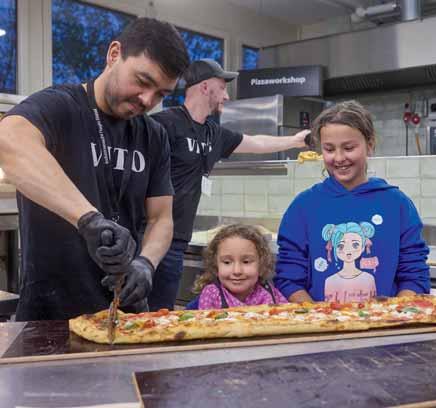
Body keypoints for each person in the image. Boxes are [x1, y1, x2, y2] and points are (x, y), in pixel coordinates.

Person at [0, 18, 190, 320]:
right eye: (142, 81)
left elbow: (161, 219)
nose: (147, 100)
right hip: (51, 313)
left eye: (161, 94)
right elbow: (9, 140)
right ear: (114, 54)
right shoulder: (61, 106)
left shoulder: (154, 136)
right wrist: (88, 220)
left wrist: (146, 262)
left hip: (124, 313)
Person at [149, 58, 311, 310]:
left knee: (161, 314)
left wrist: (294, 141)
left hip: (177, 239)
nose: (226, 96)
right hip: (148, 237)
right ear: (205, 87)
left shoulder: (214, 133)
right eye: (222, 88)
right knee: (136, 313)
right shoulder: (163, 124)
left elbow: (256, 142)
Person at [274, 100, 430, 304]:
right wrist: (318, 315)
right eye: (329, 149)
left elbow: (414, 275)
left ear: (370, 145)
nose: (339, 158)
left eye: (348, 148)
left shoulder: (397, 204)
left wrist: (393, 313)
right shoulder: (303, 207)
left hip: (388, 322)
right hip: (319, 322)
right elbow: (288, 278)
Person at [189, 224, 287, 309]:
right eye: (227, 262)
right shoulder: (211, 295)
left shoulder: (270, 293)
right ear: (215, 266)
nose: (237, 271)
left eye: (246, 262)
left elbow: (288, 316)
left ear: (261, 265)